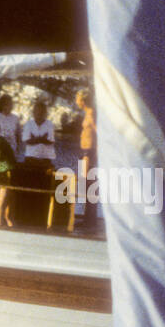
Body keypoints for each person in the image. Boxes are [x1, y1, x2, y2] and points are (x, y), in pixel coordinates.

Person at [76, 88, 97, 225]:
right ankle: (88, 216)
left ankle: (89, 218)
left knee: (88, 182)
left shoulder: (91, 114)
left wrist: (97, 149)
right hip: (84, 150)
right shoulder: (87, 113)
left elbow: (99, 131)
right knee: (86, 182)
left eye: (77, 99)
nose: (76, 101)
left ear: (82, 101)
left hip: (89, 151)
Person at [21, 100, 56, 171]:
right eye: (37, 111)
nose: (39, 114)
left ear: (45, 113)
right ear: (33, 113)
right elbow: (27, 141)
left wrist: (35, 138)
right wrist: (42, 138)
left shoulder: (50, 124)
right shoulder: (28, 124)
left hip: (45, 159)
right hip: (31, 158)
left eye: (42, 112)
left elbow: (50, 141)